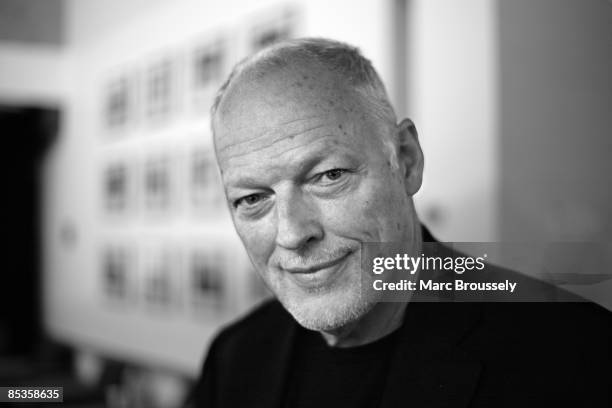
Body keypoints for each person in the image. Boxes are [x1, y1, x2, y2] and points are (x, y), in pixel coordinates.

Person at [189, 38, 611, 407]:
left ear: (406, 161)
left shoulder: (573, 352)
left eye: (328, 176)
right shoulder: (235, 356)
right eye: (253, 199)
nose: (293, 233)